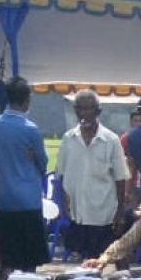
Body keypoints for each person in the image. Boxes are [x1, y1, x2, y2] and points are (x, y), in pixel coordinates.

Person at [56, 89, 129, 261]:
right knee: (80, 267)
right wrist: (63, 203)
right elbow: (61, 174)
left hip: (103, 215)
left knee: (102, 263)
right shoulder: (68, 139)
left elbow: (120, 177)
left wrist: (119, 211)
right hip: (77, 215)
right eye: (79, 109)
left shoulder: (111, 140)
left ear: (98, 112)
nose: (84, 113)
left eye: (88, 109)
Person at [0, 76, 49, 274]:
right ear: (27, 101)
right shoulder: (30, 129)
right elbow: (43, 163)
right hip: (28, 199)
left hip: (4, 197)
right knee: (29, 256)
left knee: (8, 253)